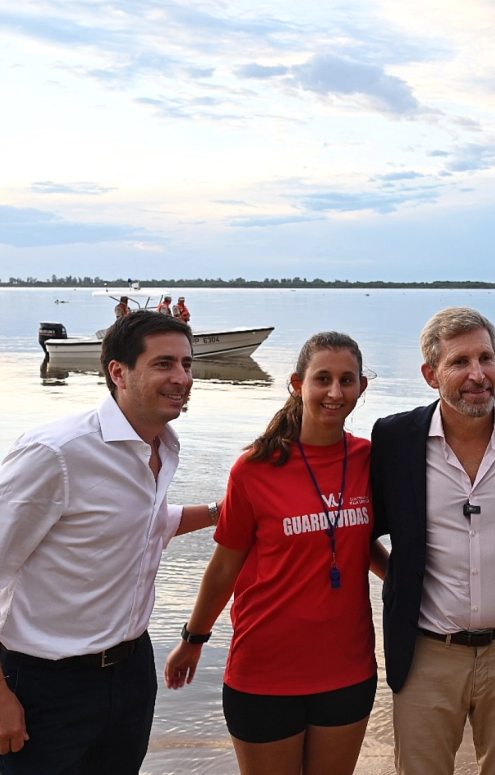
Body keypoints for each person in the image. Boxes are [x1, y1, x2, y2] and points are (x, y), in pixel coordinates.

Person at [0, 311, 218, 774]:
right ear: (118, 372)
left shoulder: (161, 446)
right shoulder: (56, 452)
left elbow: (139, 524)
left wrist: (221, 512)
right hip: (47, 684)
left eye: (187, 365)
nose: (182, 378)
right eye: (164, 364)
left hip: (131, 674)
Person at [165, 331, 385, 775]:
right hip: (264, 671)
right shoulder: (254, 469)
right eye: (323, 378)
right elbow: (225, 566)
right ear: (297, 383)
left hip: (348, 668)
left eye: (347, 380)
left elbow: (359, 544)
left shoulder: (369, 460)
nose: (335, 392)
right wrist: (193, 639)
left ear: (362, 387)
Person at [370, 307, 495, 775]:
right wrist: (402, 576)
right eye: (459, 362)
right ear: (430, 374)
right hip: (426, 652)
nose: (477, 375)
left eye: (486, 358)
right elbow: (362, 531)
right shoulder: (395, 439)